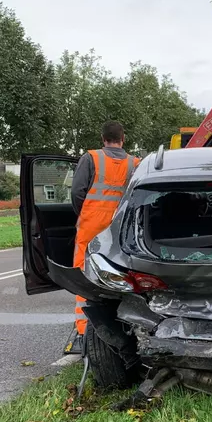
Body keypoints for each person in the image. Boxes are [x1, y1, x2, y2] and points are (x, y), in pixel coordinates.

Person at [65, 121, 141, 354]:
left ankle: (84, 331)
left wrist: (85, 214)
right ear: (123, 138)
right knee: (122, 273)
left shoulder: (91, 158)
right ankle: (126, 324)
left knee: (84, 276)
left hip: (92, 225)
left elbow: (77, 191)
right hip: (121, 226)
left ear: (103, 138)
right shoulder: (135, 163)